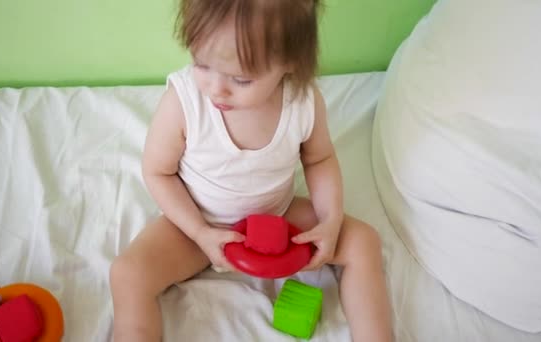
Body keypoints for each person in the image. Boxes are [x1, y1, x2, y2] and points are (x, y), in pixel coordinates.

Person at [109, 0, 392, 341]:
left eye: (240, 79)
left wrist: (330, 220)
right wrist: (199, 232)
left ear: (289, 63)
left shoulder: (302, 102)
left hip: (277, 215)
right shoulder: (184, 103)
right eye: (202, 64)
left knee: (363, 242)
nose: (215, 88)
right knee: (127, 274)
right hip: (199, 221)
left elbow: (319, 160)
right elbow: (158, 173)